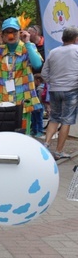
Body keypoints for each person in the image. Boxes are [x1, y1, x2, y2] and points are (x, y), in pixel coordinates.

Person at [0, 17, 42, 136]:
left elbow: (37, 64)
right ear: (2, 35)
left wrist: (28, 42)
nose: (11, 35)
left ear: (19, 33)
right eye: (7, 32)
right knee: (2, 133)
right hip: (1, 98)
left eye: (14, 31)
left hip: (23, 99)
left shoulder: (28, 48)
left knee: (23, 133)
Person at [41, 26, 78, 160]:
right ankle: (59, 151)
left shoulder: (53, 52)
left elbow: (44, 73)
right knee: (66, 120)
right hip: (71, 90)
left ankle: (46, 144)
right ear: (76, 38)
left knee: (54, 118)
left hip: (55, 89)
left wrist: (54, 82)